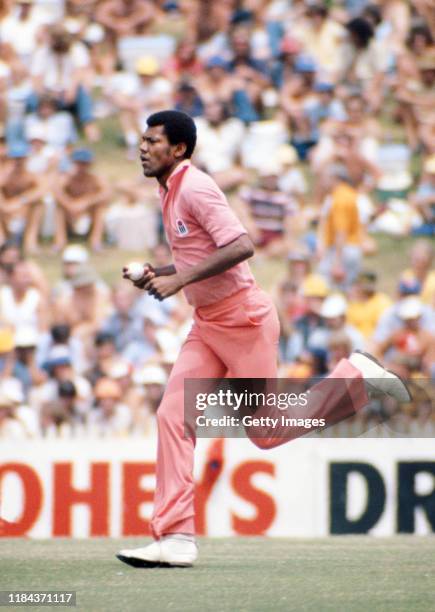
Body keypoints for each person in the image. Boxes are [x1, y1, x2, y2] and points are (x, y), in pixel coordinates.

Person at [116, 110, 410, 569]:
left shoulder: (195, 185)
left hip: (244, 321)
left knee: (265, 433)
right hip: (208, 324)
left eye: (153, 141)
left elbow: (241, 245)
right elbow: (202, 253)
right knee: (172, 416)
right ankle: (176, 537)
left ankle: (356, 378)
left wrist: (179, 281)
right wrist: (162, 273)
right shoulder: (168, 190)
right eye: (142, 139)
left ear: (178, 150)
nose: (143, 147)